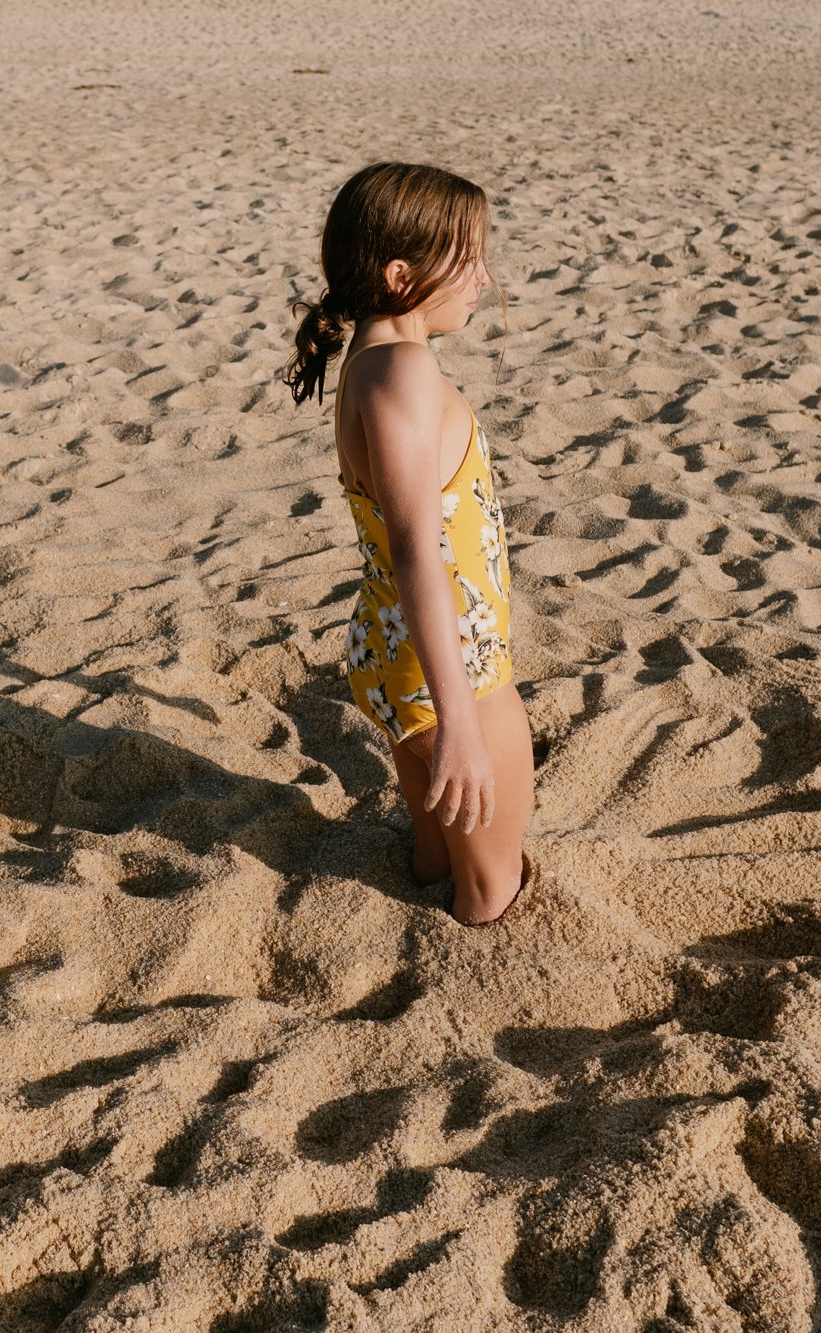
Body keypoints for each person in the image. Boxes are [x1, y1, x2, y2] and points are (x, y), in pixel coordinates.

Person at [281, 161, 536, 927]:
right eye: (469, 259)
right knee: (491, 889)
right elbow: (418, 549)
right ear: (401, 275)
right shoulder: (405, 371)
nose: (484, 278)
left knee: (436, 854)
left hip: (393, 657)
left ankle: (415, 906)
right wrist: (461, 722)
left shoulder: (368, 363)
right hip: (452, 672)